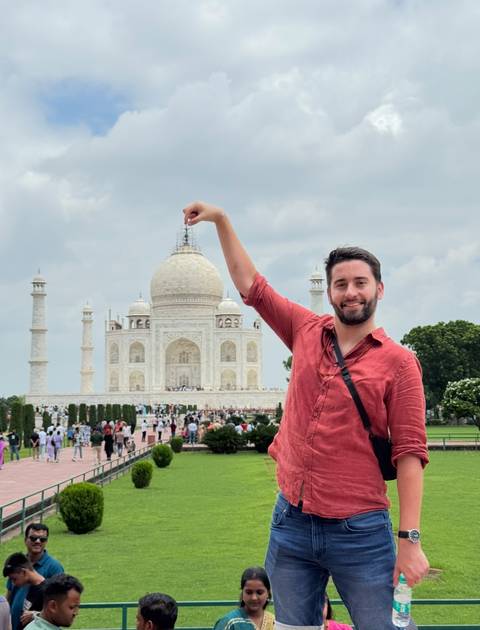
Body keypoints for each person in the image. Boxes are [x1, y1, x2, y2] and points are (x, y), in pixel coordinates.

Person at [183, 201, 430, 630]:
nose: (350, 292)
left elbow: (409, 453)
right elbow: (252, 287)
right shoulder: (306, 330)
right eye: (341, 284)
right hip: (292, 522)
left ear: (379, 289)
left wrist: (409, 540)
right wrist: (222, 220)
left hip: (361, 529)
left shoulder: (399, 363)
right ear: (330, 291)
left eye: (360, 283)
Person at [5, 524, 64, 630]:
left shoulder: (54, 567)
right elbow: (9, 597)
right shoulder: (17, 563)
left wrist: (35, 615)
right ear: (25, 540)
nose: (37, 541)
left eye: (42, 539)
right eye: (33, 538)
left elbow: (61, 607)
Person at [2, 554, 45, 628]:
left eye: (14, 579)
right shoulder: (31, 586)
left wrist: (35, 615)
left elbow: (57, 617)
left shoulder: (47, 590)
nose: (13, 583)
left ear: (24, 572)